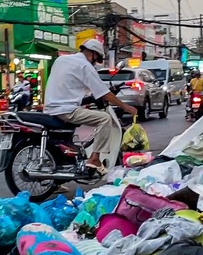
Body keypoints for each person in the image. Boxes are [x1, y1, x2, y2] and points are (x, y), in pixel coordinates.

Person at [44, 39, 138, 176]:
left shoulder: (61, 60)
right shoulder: (85, 66)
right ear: (93, 54)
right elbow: (104, 94)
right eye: (96, 59)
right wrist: (126, 107)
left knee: (65, 136)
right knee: (105, 119)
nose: (95, 63)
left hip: (51, 107)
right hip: (66, 110)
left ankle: (57, 179)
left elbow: (70, 84)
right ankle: (94, 159)